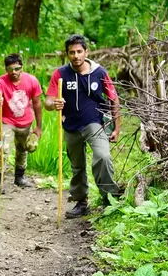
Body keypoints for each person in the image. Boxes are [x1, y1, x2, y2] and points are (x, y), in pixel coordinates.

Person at [46, 34, 122, 218]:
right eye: (72, 52)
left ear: (86, 52)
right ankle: (81, 202)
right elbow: (48, 100)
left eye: (79, 51)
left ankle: (109, 198)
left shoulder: (99, 72)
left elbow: (114, 98)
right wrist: (54, 103)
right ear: (67, 54)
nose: (76, 55)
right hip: (70, 125)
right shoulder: (61, 74)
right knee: (77, 166)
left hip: (94, 122)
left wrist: (117, 127)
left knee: (103, 156)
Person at [0, 53, 43, 191]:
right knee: (2, 148)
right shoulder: (0, 82)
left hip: (26, 121)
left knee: (23, 149)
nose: (14, 72)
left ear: (22, 67)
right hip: (6, 120)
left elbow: (37, 104)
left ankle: (19, 177)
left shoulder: (32, 81)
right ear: (6, 69)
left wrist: (38, 127)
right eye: (10, 69)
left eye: (17, 69)